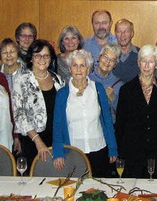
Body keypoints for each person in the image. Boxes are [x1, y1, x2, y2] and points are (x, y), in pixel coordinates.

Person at [52, 49, 117, 177]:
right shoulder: (62, 94)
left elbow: (107, 120)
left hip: (99, 150)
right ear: (69, 69)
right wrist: (58, 152)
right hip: (74, 152)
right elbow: (57, 125)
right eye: (74, 65)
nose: (78, 69)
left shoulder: (97, 89)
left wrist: (112, 148)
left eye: (82, 65)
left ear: (88, 69)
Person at [115, 44, 157, 179]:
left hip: (155, 151)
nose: (146, 66)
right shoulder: (126, 90)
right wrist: (120, 153)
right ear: (138, 63)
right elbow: (120, 123)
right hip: (132, 151)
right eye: (143, 61)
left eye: (151, 62)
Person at [12, 39, 64, 170]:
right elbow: (20, 115)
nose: (42, 59)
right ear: (31, 58)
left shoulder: (58, 80)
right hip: (32, 141)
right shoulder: (21, 80)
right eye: (38, 55)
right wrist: (38, 141)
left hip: (55, 139)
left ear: (51, 58)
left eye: (46, 55)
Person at [88, 43, 123, 122]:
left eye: (112, 60)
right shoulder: (87, 80)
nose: (107, 61)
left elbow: (123, 113)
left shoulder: (119, 85)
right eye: (105, 57)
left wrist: (113, 99)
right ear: (99, 57)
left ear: (115, 64)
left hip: (109, 128)